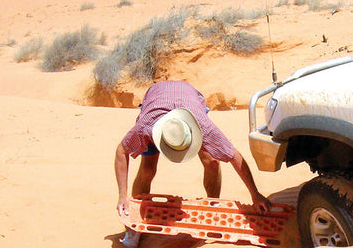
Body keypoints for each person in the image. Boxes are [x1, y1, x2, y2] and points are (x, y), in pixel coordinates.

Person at [114, 81, 270, 220]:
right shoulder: (145, 127)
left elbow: (234, 155)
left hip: (190, 96)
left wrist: (255, 194)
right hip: (156, 96)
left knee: (212, 162)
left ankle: (212, 205)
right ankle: (134, 214)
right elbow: (122, 151)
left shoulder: (204, 127)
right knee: (147, 169)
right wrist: (123, 196)